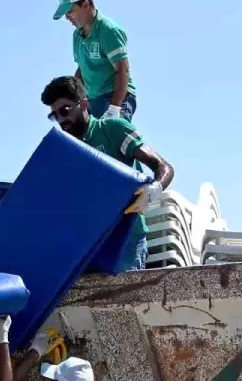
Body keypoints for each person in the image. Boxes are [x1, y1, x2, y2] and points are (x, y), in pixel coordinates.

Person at [41, 74, 175, 271]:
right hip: (88, 242)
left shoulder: (113, 130)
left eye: (65, 110)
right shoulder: (66, 150)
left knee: (128, 301)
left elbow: (164, 167)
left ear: (84, 104)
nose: (61, 119)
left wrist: (153, 190)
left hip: (126, 239)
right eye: (55, 115)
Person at [53, 0, 136, 120]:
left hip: (116, 97)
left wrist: (114, 108)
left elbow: (123, 70)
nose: (67, 17)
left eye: (70, 11)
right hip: (92, 100)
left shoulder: (109, 31)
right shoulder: (77, 36)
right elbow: (82, 68)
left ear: (85, 5)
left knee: (110, 136)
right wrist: (72, 98)